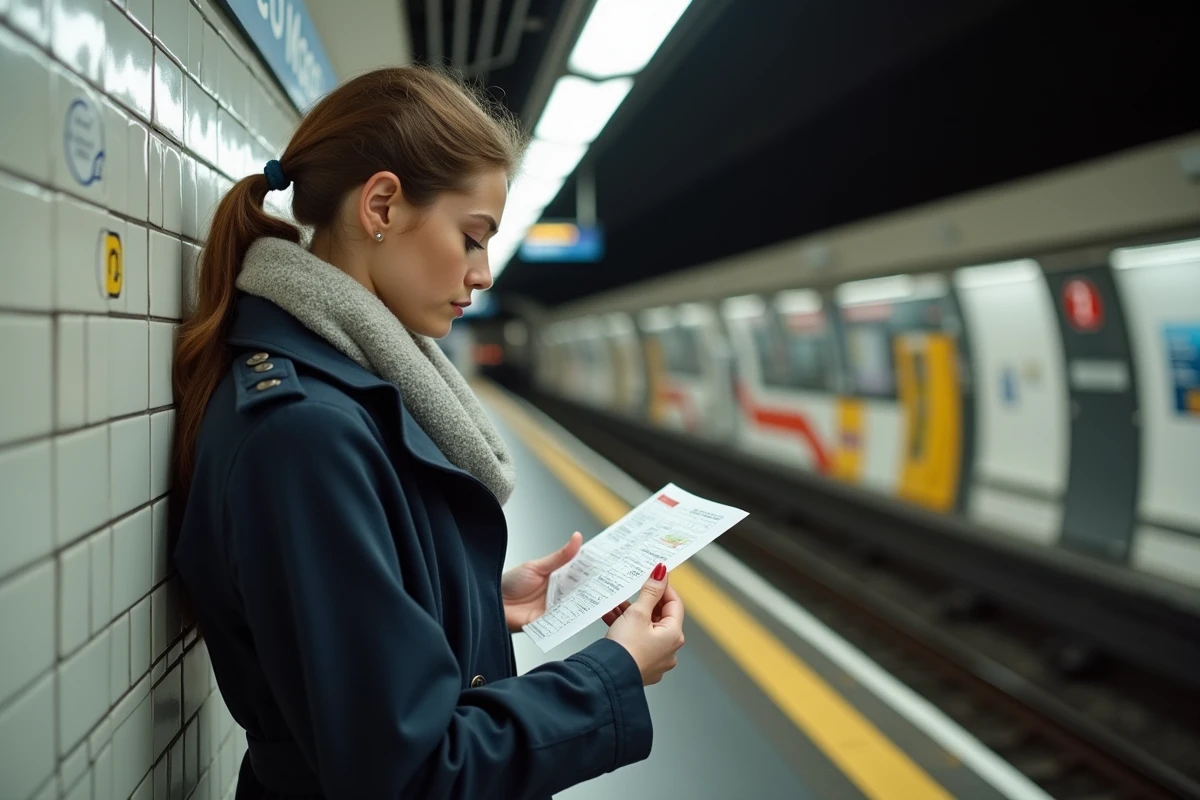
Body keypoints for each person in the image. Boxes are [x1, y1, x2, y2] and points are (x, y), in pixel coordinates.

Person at [168, 66, 687, 799]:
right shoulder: (303, 433)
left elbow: (357, 643)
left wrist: (476, 600)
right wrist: (615, 674)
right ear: (380, 204)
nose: (481, 274)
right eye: (473, 238)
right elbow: (411, 772)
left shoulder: (341, 396)